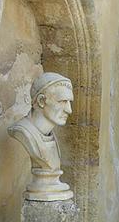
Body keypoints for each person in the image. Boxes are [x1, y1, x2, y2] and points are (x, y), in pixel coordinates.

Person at [8, 72, 74, 201]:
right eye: (62, 102)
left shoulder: (50, 135)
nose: (69, 110)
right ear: (41, 101)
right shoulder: (23, 132)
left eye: (69, 102)